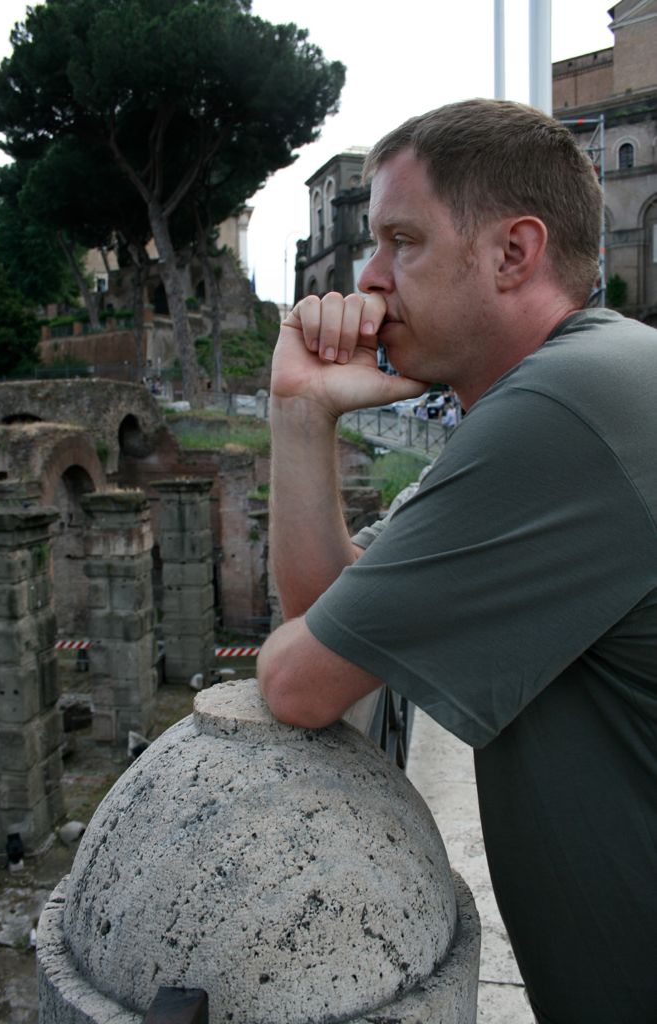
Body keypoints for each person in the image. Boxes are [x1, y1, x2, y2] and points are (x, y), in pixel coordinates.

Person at [257, 99, 657, 1024]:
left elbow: (298, 681)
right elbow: (340, 626)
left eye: (403, 240)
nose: (367, 277)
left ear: (513, 253)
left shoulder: (558, 416)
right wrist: (302, 411)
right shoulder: (605, 370)